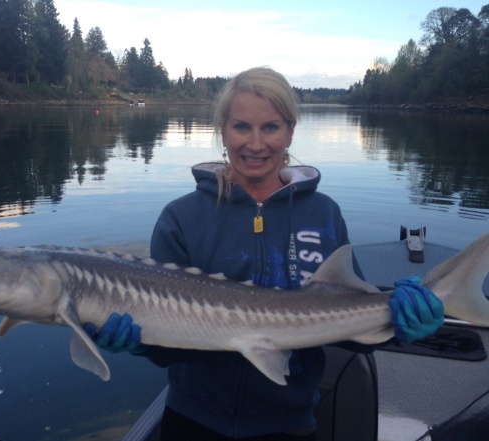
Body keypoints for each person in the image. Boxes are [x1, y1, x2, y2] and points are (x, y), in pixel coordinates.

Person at [83, 67, 445, 440]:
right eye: (241, 127)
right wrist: (140, 344)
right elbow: (169, 350)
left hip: (289, 425)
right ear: (222, 131)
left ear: (290, 131)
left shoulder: (322, 214)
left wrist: (397, 326)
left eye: (270, 127)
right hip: (193, 420)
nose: (255, 144)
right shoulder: (181, 218)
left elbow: (348, 330)